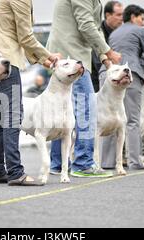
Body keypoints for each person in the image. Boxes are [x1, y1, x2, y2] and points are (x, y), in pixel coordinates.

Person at [0, 0, 61, 186]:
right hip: (6, 57)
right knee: (12, 115)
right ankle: (15, 172)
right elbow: (25, 36)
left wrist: (43, 60)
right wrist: (49, 56)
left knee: (2, 115)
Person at [47, 0, 121, 177]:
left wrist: (104, 58)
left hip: (65, 56)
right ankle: (83, 163)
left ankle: (58, 163)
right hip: (72, 56)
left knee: (64, 112)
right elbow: (86, 25)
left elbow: (94, 27)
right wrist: (108, 51)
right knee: (86, 109)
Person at [105, 4, 144, 170]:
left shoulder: (114, 32)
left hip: (109, 74)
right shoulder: (140, 31)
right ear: (133, 17)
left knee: (110, 118)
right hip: (129, 73)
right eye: (142, 18)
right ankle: (135, 160)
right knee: (132, 119)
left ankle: (106, 162)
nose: (143, 23)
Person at [91, 0, 124, 92]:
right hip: (96, 80)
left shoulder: (122, 33)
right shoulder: (97, 32)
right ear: (108, 15)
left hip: (115, 78)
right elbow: (98, 63)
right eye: (118, 15)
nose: (122, 18)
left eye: (123, 15)